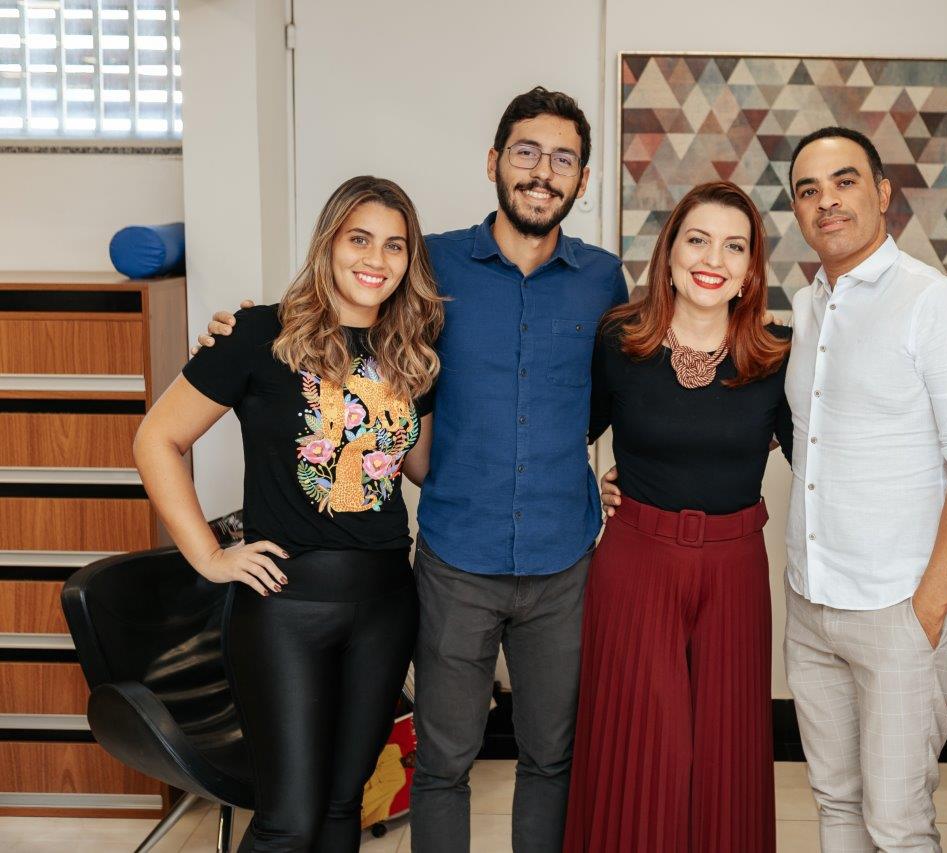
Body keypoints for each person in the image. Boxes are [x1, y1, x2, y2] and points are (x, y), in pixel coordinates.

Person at [195, 87, 628, 853]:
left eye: (563, 159)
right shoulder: (432, 263)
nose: (542, 171)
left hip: (563, 557)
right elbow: (349, 327)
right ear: (494, 162)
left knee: (552, 758)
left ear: (583, 179)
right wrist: (246, 329)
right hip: (456, 558)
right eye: (526, 152)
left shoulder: (603, 280)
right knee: (442, 764)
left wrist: (604, 468)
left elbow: (607, 394)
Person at [135, 176, 444, 852]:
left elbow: (421, 467)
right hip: (285, 609)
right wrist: (209, 556)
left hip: (386, 602)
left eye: (395, 245)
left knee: (342, 807)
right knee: (289, 821)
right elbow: (156, 438)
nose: (376, 259)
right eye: (359, 238)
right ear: (328, 243)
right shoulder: (257, 334)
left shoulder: (412, 351)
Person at [784, 127, 947, 851]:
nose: (826, 201)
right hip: (810, 603)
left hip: (898, 609)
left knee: (898, 823)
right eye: (808, 190)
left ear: (882, 193)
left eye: (844, 181)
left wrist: (927, 611)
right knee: (836, 802)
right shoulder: (808, 306)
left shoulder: (935, 305)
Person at [563, 180, 791, 853]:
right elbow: (562, 432)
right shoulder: (619, 340)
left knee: (726, 757)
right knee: (643, 754)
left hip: (735, 569)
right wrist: (590, 488)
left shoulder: (777, 356)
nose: (713, 259)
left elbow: (827, 460)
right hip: (637, 564)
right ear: (668, 253)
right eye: (698, 240)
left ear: (750, 270)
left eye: (734, 246)